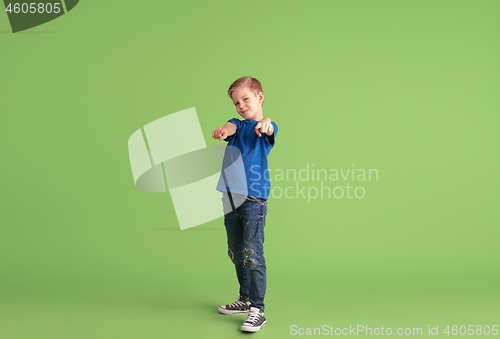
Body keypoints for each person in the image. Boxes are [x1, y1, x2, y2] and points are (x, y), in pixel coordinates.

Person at [211, 76, 278, 332]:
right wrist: (222, 132)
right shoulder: (237, 125)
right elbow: (229, 128)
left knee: (252, 253)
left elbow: (270, 128)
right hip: (229, 197)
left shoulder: (265, 127)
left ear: (260, 97)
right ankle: (245, 298)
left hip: (253, 199)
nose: (241, 105)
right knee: (236, 253)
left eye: (246, 99)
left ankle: (257, 309)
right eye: (236, 102)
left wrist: (267, 124)